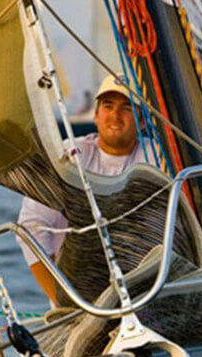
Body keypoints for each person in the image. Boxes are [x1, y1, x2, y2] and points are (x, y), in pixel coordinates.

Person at [17, 75, 150, 302]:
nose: (115, 115)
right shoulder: (70, 157)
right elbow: (32, 227)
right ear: (96, 116)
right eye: (108, 106)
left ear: (142, 121)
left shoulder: (156, 156)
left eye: (127, 108)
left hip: (147, 294)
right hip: (79, 300)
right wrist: (63, 302)